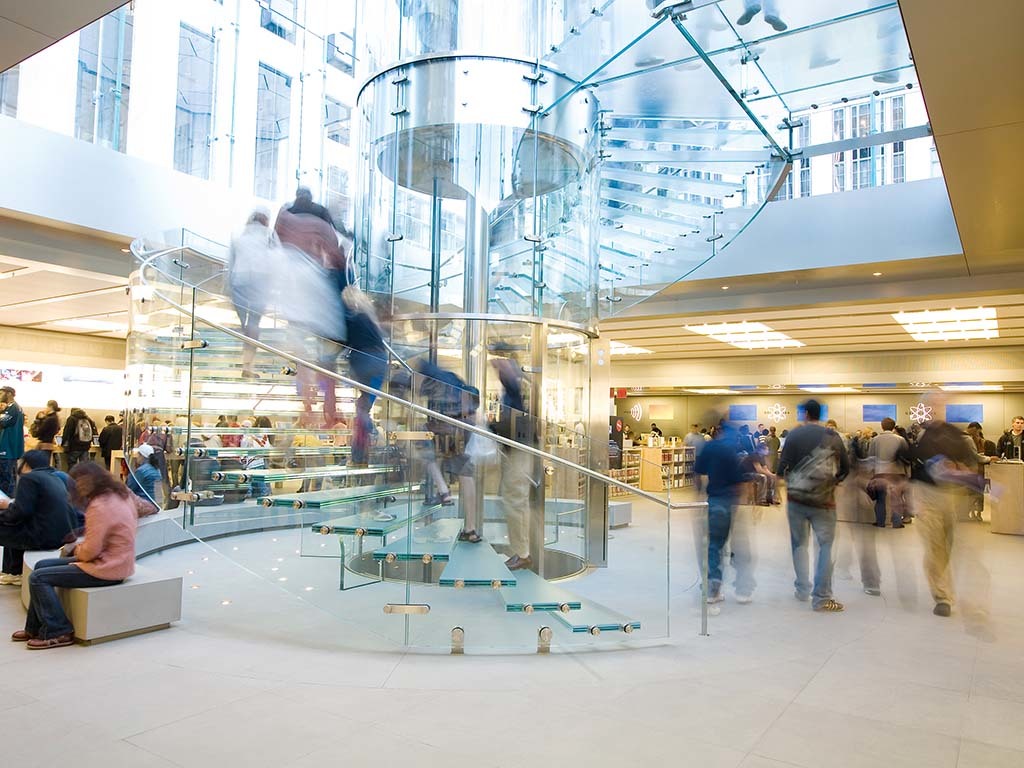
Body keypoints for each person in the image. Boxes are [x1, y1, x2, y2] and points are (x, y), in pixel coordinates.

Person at [13, 462, 137, 649]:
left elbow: (89, 553)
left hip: (106, 568)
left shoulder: (99, 506)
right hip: (118, 562)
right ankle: (34, 627)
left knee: (38, 577)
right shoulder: (120, 495)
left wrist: (75, 548)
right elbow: (145, 508)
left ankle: (58, 630)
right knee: (41, 566)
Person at [777, 399, 850, 612]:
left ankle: (802, 588)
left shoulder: (794, 435)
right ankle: (822, 597)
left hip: (796, 500)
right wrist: (831, 484)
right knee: (825, 547)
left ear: (806, 414)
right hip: (824, 502)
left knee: (799, 544)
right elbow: (845, 468)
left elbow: (781, 469)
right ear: (820, 415)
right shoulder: (832, 436)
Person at [910, 416, 980, 618]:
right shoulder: (922, 437)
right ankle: (942, 596)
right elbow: (914, 468)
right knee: (934, 546)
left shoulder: (957, 436)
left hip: (949, 495)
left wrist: (957, 468)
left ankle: (943, 588)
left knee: (947, 544)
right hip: (926, 495)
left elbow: (970, 463)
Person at [694, 422, 753, 604]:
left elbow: (697, 472)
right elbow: (740, 480)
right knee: (739, 546)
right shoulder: (733, 449)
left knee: (714, 545)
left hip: (715, 501)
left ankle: (713, 589)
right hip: (731, 501)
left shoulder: (710, 447)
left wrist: (699, 493)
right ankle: (743, 590)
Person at [0, 450, 77, 586]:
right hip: (62, 535)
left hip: (43, 537)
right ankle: (12, 571)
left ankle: (14, 572)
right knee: (13, 523)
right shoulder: (54, 477)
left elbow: (21, 511)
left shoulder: (29, 478)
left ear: (26, 464)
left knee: (9, 523)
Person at [491, 344, 537, 571]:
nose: (497, 366)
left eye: (502, 362)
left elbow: (514, 397)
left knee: (514, 499)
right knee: (513, 499)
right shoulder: (514, 387)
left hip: (519, 447)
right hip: (515, 446)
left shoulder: (518, 384)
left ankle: (523, 553)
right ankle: (521, 550)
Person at [228, 211, 275, 379]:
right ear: (265, 221)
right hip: (259, 281)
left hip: (239, 281)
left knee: (244, 326)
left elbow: (230, 263)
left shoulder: (238, 236)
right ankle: (247, 366)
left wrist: (228, 287)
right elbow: (276, 259)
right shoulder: (268, 236)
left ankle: (242, 361)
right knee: (254, 325)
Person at [344, 286, 388, 465]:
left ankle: (359, 452)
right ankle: (360, 454)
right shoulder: (369, 318)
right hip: (380, 361)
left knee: (362, 407)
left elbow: (341, 339)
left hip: (364, 360)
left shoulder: (352, 318)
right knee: (363, 405)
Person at [868, 417, 909, 528]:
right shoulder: (900, 439)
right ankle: (897, 522)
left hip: (880, 472)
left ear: (882, 426)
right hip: (897, 472)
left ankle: (880, 522)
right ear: (893, 426)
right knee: (897, 498)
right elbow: (906, 456)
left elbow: (871, 457)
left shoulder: (875, 439)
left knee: (881, 499)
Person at [0, 385, 25, 498]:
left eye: (1, 393)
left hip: (7, 449)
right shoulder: (16, 408)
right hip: (10, 449)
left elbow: (3, 422)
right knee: (10, 479)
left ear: (9, 393)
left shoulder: (12, 408)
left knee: (6, 481)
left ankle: (7, 508)